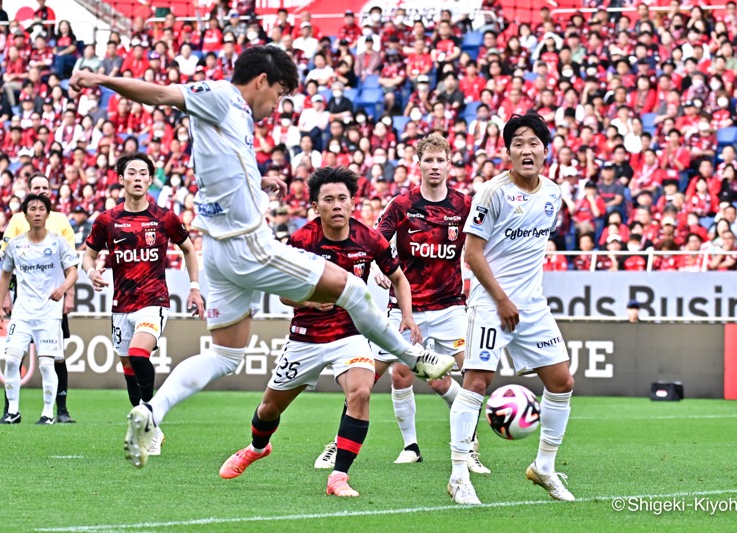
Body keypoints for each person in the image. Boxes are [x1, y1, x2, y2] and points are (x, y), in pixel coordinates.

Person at [70, 45, 453, 470]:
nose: (277, 106)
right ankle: (419, 359)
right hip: (248, 247)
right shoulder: (221, 96)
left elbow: (225, 167)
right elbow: (161, 94)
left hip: (218, 252)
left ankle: (150, 413)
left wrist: (257, 185)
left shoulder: (233, 119)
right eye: (280, 95)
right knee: (355, 290)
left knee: (225, 355)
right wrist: (102, 81)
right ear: (261, 82)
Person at [222, 166, 417, 496]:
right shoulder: (301, 240)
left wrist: (407, 316)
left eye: (343, 198)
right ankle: (257, 448)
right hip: (305, 336)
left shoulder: (369, 238)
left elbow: (398, 277)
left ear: (353, 203)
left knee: (361, 392)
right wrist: (310, 302)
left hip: (349, 334)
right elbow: (282, 291)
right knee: (269, 409)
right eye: (329, 199)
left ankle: (338, 476)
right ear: (316, 206)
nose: (337, 205)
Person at [312, 133, 488, 475]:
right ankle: (367, 445)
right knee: (370, 376)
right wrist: (382, 268)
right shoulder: (402, 205)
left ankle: (468, 448)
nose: (435, 166)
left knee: (467, 377)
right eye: (429, 160)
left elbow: (483, 245)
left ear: (449, 165)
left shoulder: (465, 205)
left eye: (441, 160)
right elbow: (375, 242)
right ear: (418, 165)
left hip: (451, 307)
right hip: (405, 311)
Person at [448, 113, 575, 505]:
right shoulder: (492, 193)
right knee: (476, 384)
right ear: (507, 151)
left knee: (562, 383)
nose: (526, 150)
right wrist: (502, 299)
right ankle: (457, 475)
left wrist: (519, 300)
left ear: (545, 150)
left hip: (531, 307)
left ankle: (545, 467)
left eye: (534, 142)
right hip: (491, 302)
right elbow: (472, 253)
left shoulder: (553, 194)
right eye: (518, 143)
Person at [81, 153, 205, 459]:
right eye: (131, 173)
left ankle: (150, 420)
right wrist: (91, 271)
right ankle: (152, 430)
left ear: (150, 179)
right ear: (121, 180)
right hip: (121, 305)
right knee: (128, 368)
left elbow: (189, 250)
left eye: (143, 173)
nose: (137, 177)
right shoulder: (107, 220)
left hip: (154, 301)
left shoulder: (164, 218)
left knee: (138, 354)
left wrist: (193, 288)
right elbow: (88, 253)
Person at [0, 174, 77, 424]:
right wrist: (2, 303)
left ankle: (48, 413)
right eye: (32, 209)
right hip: (22, 312)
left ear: (47, 212)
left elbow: (73, 270)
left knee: (47, 364)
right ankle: (12, 411)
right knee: (11, 359)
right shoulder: (15, 243)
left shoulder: (58, 241)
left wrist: (64, 289)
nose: (37, 212)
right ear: (25, 214)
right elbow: (4, 275)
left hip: (49, 313)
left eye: (41, 209)